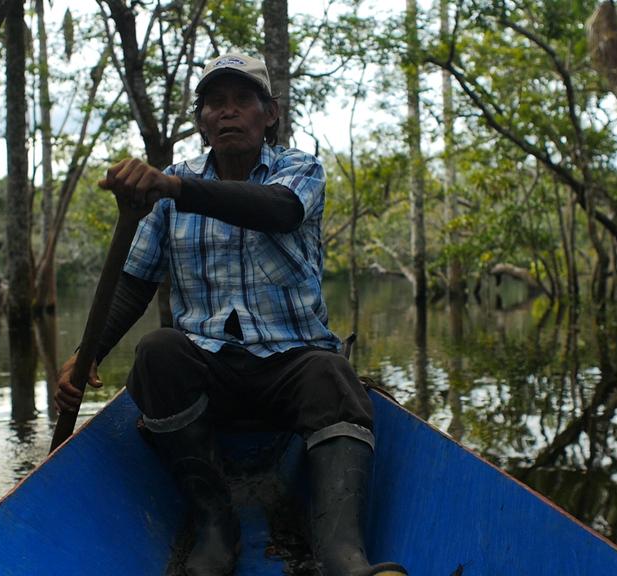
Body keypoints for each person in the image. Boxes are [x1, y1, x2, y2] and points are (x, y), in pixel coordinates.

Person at [55, 53, 406, 576]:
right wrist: (84, 358)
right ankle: (217, 527)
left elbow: (277, 210)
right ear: (200, 122)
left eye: (243, 100)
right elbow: (133, 285)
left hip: (293, 364)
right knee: (157, 352)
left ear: (270, 114)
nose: (228, 112)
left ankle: (343, 557)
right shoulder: (170, 185)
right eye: (215, 103)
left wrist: (174, 189)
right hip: (209, 371)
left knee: (333, 373)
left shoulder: (298, 170)